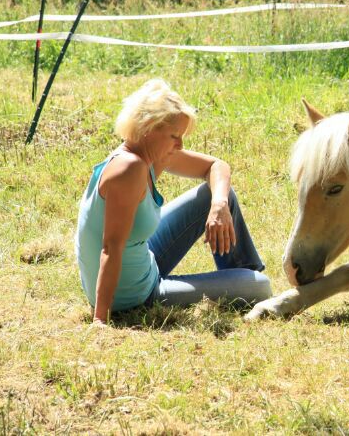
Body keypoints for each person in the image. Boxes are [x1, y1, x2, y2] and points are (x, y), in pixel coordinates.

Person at [75, 78, 272, 326]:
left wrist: (219, 205)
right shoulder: (129, 169)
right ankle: (246, 282)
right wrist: (100, 319)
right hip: (134, 295)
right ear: (149, 128)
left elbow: (216, 166)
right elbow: (110, 248)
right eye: (174, 136)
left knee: (219, 195)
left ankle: (242, 275)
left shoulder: (144, 153)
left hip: (141, 258)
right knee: (261, 287)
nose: (180, 144)